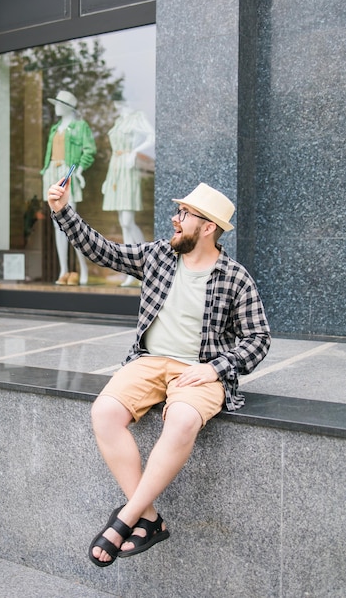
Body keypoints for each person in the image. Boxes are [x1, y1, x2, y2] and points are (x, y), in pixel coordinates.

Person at [47, 178, 271, 567]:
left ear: (208, 228)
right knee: (103, 413)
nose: (175, 219)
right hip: (149, 361)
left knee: (183, 419)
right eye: (179, 211)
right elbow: (104, 252)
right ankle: (146, 517)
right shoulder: (159, 256)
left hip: (200, 370)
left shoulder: (235, 277)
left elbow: (259, 338)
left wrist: (215, 368)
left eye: (184, 214)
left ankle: (126, 517)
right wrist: (63, 210)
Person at [42, 90, 96, 285]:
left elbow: (89, 150)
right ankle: (63, 270)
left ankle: (83, 270)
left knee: (72, 224)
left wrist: (79, 169)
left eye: (58, 103)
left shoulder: (80, 126)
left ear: (67, 106)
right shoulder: (55, 128)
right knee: (57, 225)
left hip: (67, 173)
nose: (55, 106)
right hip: (52, 173)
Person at [102, 101, 155, 286]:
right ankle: (131, 270)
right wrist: (108, 180)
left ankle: (146, 264)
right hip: (115, 169)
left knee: (127, 221)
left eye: (118, 101)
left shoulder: (136, 117)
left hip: (128, 169)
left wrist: (134, 151)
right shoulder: (118, 121)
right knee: (123, 225)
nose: (116, 104)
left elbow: (151, 137)